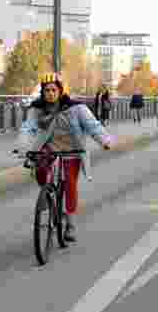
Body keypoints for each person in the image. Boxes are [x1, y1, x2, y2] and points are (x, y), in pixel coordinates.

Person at [14, 72, 114, 242]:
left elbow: (92, 125)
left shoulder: (76, 108)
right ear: (42, 93)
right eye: (46, 90)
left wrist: (104, 140)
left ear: (60, 91)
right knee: (40, 169)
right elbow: (27, 128)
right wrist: (21, 147)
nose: (50, 93)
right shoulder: (37, 109)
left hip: (72, 150)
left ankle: (70, 223)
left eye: (53, 90)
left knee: (69, 183)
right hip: (49, 149)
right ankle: (47, 195)